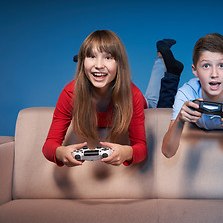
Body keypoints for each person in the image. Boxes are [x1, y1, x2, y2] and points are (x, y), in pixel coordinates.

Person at [42, 30, 147, 167]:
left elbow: (142, 148)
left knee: (157, 99)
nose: (98, 65)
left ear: (119, 64)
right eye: (91, 56)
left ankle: (162, 62)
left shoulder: (133, 95)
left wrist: (127, 152)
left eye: (108, 58)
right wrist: (61, 153)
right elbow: (49, 146)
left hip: (146, 104)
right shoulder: (70, 93)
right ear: (82, 62)